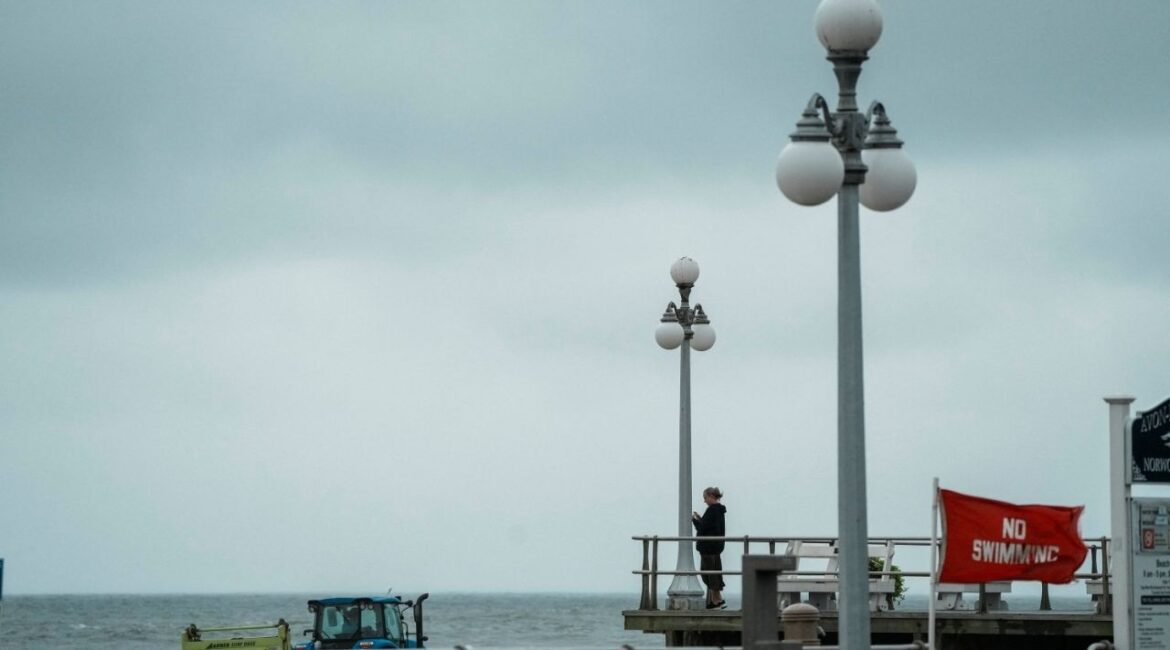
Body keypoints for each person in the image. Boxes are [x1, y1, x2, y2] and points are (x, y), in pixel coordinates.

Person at [692, 486, 727, 609]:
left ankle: (716, 600)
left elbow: (704, 528)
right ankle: (717, 599)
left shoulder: (712, 510)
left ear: (711, 496)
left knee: (708, 573)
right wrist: (701, 520)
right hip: (715, 546)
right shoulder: (719, 511)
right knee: (714, 572)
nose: (704, 501)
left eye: (705, 497)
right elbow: (711, 527)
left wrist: (695, 520)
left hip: (708, 547)